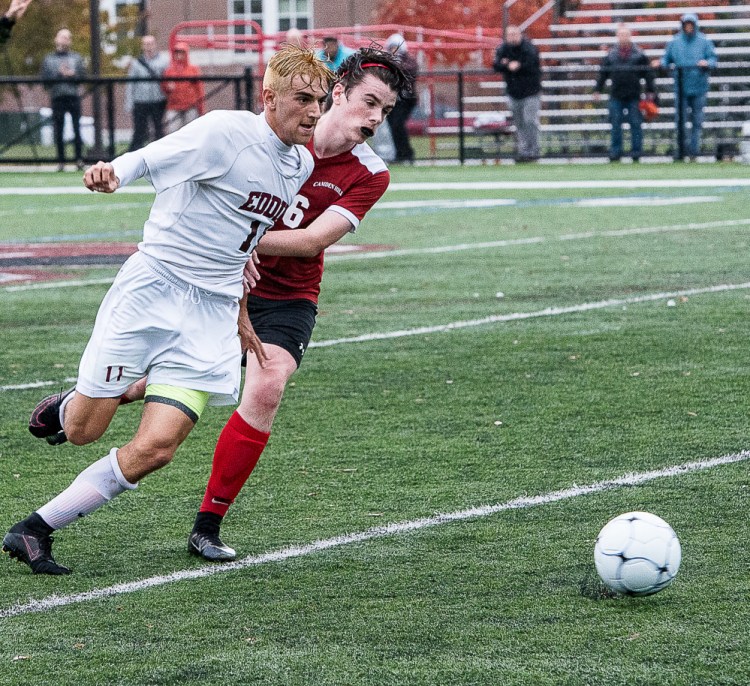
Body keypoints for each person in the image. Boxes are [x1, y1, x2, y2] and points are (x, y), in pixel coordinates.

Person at [3, 44, 333, 576]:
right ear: (269, 97)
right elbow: (158, 153)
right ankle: (68, 407)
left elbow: (244, 241)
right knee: (86, 430)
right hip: (154, 290)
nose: (314, 113)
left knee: (158, 448)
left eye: (319, 101)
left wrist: (242, 310)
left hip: (212, 314)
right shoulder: (226, 131)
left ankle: (35, 528)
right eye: (302, 99)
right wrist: (115, 171)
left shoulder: (300, 163)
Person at [595, 24, 655, 162]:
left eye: (626, 35)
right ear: (617, 37)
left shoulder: (639, 54)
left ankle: (636, 152)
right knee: (616, 124)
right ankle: (616, 152)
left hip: (634, 95)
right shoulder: (611, 55)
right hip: (616, 95)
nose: (623, 37)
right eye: (621, 35)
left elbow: (648, 74)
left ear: (630, 36)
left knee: (636, 123)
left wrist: (650, 90)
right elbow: (603, 74)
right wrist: (598, 89)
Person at [660, 13, 717, 161]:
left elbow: (713, 58)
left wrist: (707, 63)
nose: (689, 27)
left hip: (699, 87)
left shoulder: (704, 41)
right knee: (681, 120)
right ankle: (681, 150)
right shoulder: (675, 42)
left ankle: (694, 151)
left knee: (697, 121)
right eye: (686, 24)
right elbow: (666, 58)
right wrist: (662, 64)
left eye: (691, 24)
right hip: (681, 87)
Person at [493, 26, 543, 163]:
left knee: (530, 121)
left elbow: (532, 63)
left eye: (515, 34)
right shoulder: (503, 48)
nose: (512, 37)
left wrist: (518, 65)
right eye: (510, 34)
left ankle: (533, 150)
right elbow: (496, 64)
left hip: (531, 92)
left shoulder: (529, 48)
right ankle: (523, 151)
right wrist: (507, 65)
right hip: (513, 93)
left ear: (520, 34)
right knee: (519, 123)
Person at [40, 28, 87, 171]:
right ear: (56, 39)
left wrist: (72, 75)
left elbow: (83, 77)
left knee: (76, 128)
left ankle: (79, 159)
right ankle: (61, 161)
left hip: (73, 97)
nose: (64, 39)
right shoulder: (49, 59)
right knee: (58, 129)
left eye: (67, 37)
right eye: (62, 36)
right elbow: (45, 80)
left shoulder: (77, 58)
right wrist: (59, 74)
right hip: (57, 97)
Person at [126, 35, 169, 151]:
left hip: (158, 100)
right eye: (146, 44)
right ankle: (134, 154)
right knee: (139, 130)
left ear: (155, 45)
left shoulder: (164, 61)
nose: (148, 47)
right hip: (141, 101)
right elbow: (131, 84)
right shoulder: (136, 63)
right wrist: (129, 102)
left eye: (150, 43)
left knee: (158, 128)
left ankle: (160, 153)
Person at [384, 33, 419, 164]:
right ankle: (400, 153)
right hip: (390, 100)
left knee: (398, 125)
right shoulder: (387, 61)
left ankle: (407, 153)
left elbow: (410, 72)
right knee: (393, 126)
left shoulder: (408, 61)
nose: (394, 50)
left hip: (405, 100)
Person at [162, 41, 205, 133]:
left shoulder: (193, 69)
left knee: (191, 132)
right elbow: (164, 87)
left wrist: (201, 108)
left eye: (181, 52)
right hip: (174, 106)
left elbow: (199, 89)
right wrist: (167, 87)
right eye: (177, 53)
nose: (179, 55)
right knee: (172, 132)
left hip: (190, 106)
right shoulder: (169, 70)